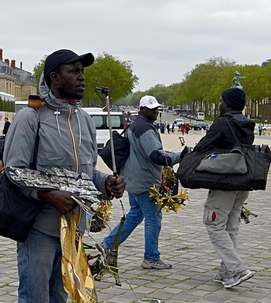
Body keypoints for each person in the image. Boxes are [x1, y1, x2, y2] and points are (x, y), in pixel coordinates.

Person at [3, 48, 126, 303]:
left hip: (72, 230)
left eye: (82, 72)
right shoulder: (31, 118)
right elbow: (14, 169)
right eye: (74, 71)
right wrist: (45, 193)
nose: (82, 77)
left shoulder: (84, 120)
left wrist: (108, 183)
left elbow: (85, 173)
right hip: (40, 228)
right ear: (55, 77)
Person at [102, 95, 182, 270]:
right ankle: (151, 257)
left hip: (133, 179)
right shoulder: (145, 128)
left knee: (135, 215)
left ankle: (107, 243)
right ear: (142, 109)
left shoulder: (135, 124)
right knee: (153, 219)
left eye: (156, 108)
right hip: (145, 182)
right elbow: (155, 156)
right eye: (151, 108)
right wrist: (179, 156)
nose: (155, 111)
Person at [194, 87, 257, 288]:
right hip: (243, 180)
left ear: (228, 104)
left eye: (221, 101)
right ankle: (226, 271)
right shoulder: (246, 124)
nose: (219, 104)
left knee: (213, 223)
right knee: (231, 225)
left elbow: (202, 147)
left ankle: (238, 268)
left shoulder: (222, 122)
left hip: (225, 180)